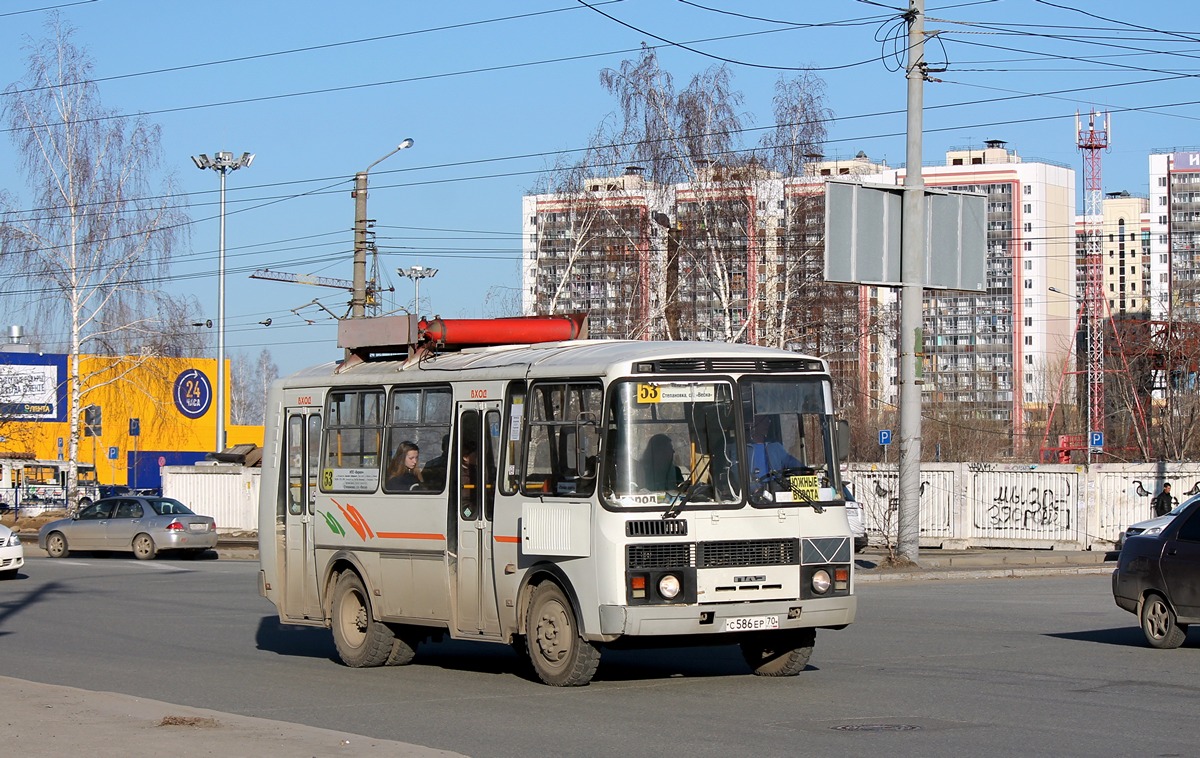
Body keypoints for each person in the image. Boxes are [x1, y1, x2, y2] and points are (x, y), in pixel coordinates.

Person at [745, 415, 803, 482]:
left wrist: (807, 471)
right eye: (763, 422)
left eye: (768, 421)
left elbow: (790, 462)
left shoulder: (775, 446)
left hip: (776, 489)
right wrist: (754, 488)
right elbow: (739, 475)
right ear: (753, 423)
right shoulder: (743, 448)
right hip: (751, 492)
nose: (766, 424)